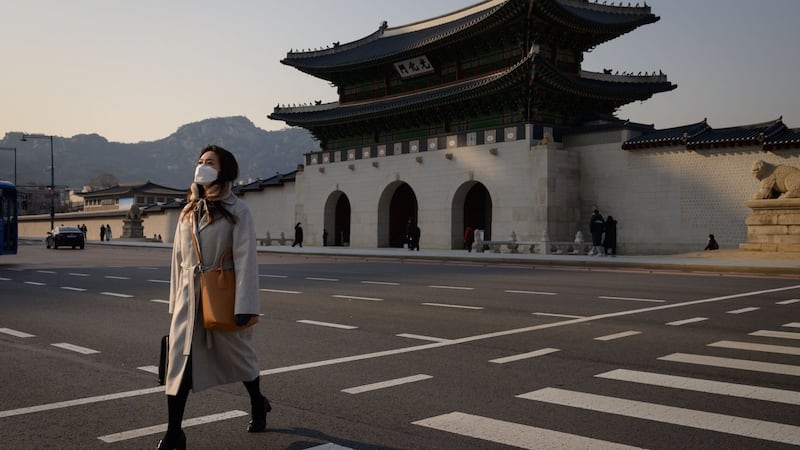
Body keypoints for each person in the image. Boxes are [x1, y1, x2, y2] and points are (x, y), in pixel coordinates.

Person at [159, 145, 269, 450]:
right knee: (178, 364)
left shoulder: (239, 211)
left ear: (224, 170)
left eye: (209, 162)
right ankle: (174, 433)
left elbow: (246, 259)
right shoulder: (188, 210)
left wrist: (245, 307)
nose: (202, 166)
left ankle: (258, 402)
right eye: (200, 161)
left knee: (240, 359)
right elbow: (178, 260)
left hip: (222, 294)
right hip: (188, 299)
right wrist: (175, 300)